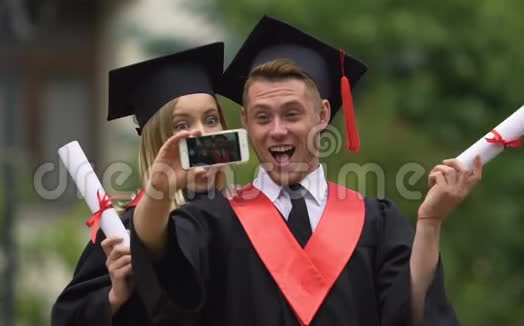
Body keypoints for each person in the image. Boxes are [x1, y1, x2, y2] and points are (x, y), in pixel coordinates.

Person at [129, 16, 482, 326]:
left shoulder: (376, 220)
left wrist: (431, 222)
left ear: (323, 115)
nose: (278, 130)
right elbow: (163, 271)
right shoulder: (212, 220)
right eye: (263, 117)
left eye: (292, 114)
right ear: (245, 123)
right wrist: (159, 190)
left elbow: (412, 312)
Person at [51, 42, 231, 326]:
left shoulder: (247, 217)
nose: (200, 135)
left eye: (211, 120)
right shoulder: (122, 231)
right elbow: (68, 319)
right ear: (158, 142)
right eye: (182, 126)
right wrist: (114, 297)